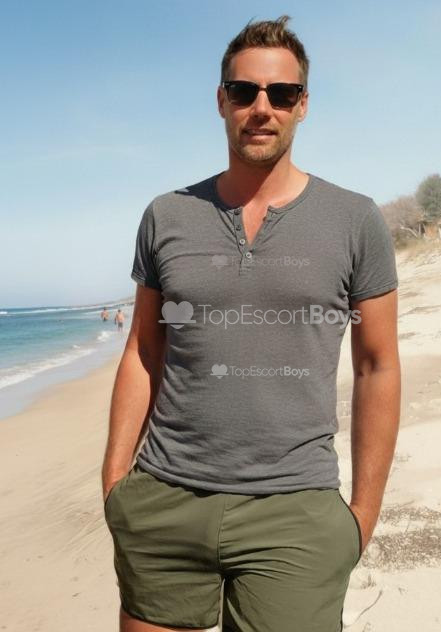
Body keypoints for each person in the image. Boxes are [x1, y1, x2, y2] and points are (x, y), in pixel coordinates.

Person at [101, 15, 400, 632]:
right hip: (163, 497)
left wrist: (362, 516)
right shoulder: (166, 215)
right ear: (222, 101)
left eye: (281, 93)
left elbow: (378, 366)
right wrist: (115, 482)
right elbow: (144, 351)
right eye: (245, 91)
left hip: (296, 508)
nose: (262, 108)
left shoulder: (355, 220)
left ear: (303, 105)